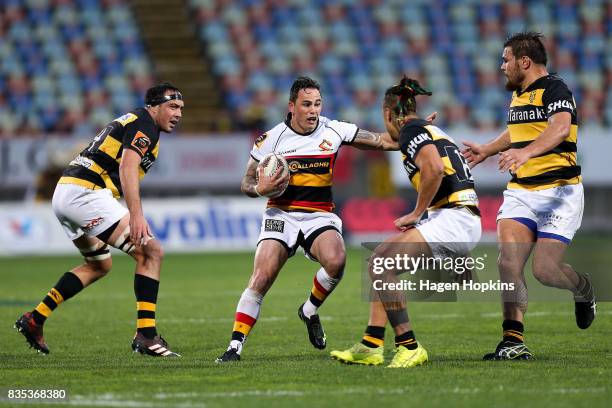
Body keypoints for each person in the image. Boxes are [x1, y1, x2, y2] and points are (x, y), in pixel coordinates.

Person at [215, 76, 407, 363]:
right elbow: (246, 182)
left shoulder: (335, 130)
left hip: (319, 214)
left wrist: (416, 132)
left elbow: (381, 141)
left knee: (337, 261)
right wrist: (259, 189)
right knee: (262, 277)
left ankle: (309, 309)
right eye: (306, 104)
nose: (313, 110)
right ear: (292, 106)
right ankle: (234, 347)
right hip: (281, 214)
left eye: (317, 103)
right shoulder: (270, 139)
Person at [14, 83, 184, 357]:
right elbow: (127, 167)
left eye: (181, 109)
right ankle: (146, 336)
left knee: (99, 264)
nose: (177, 114)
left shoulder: (135, 120)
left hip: (66, 191)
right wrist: (137, 216)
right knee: (151, 252)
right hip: (85, 193)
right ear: (154, 106)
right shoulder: (146, 124)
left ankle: (35, 319)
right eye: (172, 107)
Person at [330, 77, 482, 368]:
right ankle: (371, 344)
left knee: (380, 264)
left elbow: (435, 169)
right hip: (457, 217)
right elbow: (399, 144)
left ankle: (408, 345)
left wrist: (416, 212)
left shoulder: (413, 130)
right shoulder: (423, 129)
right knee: (381, 263)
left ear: (388, 114)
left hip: (452, 218)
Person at [462, 32, 596, 360]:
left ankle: (583, 288)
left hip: (558, 193)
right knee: (507, 261)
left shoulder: (555, 88)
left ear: (524, 61)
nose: (501, 66)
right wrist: (488, 149)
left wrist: (526, 154)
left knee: (545, 271)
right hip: (521, 192)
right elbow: (518, 132)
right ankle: (513, 341)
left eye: (505, 59)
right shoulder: (520, 95)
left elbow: (560, 128)